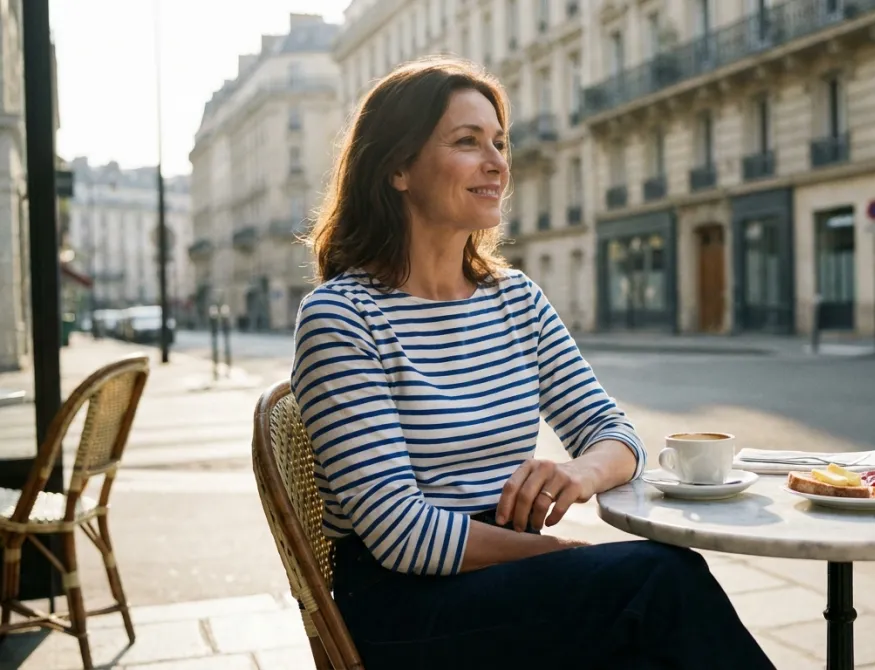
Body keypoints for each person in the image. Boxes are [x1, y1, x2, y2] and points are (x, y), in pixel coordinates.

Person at [292, 55, 774, 669]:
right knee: (657, 582)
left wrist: (580, 474)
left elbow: (616, 434)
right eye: (467, 142)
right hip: (407, 605)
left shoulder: (514, 298)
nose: (497, 162)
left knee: (653, 605)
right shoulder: (341, 316)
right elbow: (400, 533)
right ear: (397, 168)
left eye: (499, 142)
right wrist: (562, 555)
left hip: (505, 581)